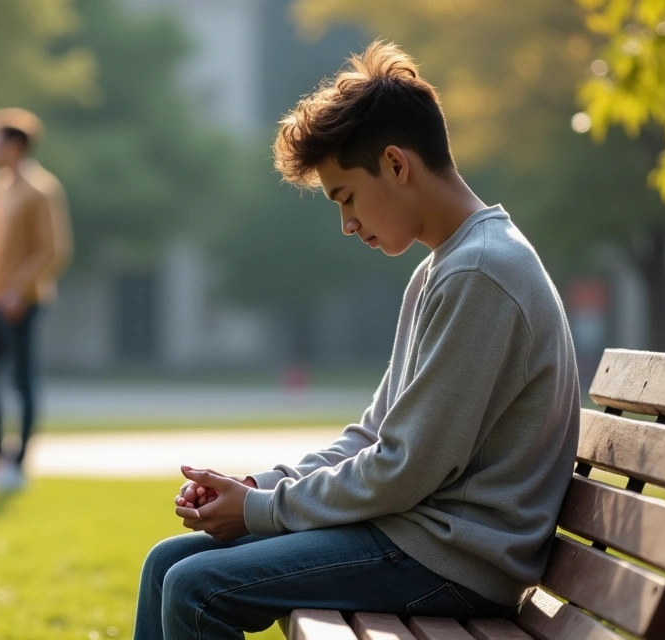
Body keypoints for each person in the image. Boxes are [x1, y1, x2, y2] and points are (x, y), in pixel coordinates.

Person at [134, 41, 580, 639]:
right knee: (168, 562)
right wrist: (257, 487)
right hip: (416, 536)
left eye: (345, 197)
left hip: (453, 560)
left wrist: (264, 512)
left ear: (396, 165)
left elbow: (402, 468)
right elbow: (373, 437)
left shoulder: (480, 273)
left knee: (197, 588)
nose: (346, 224)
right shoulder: (443, 270)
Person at [0, 108, 70, 491]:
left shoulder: (40, 188)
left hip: (22, 301)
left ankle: (17, 463)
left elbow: (53, 250)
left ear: (14, 144)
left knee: (22, 381)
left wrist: (17, 289)